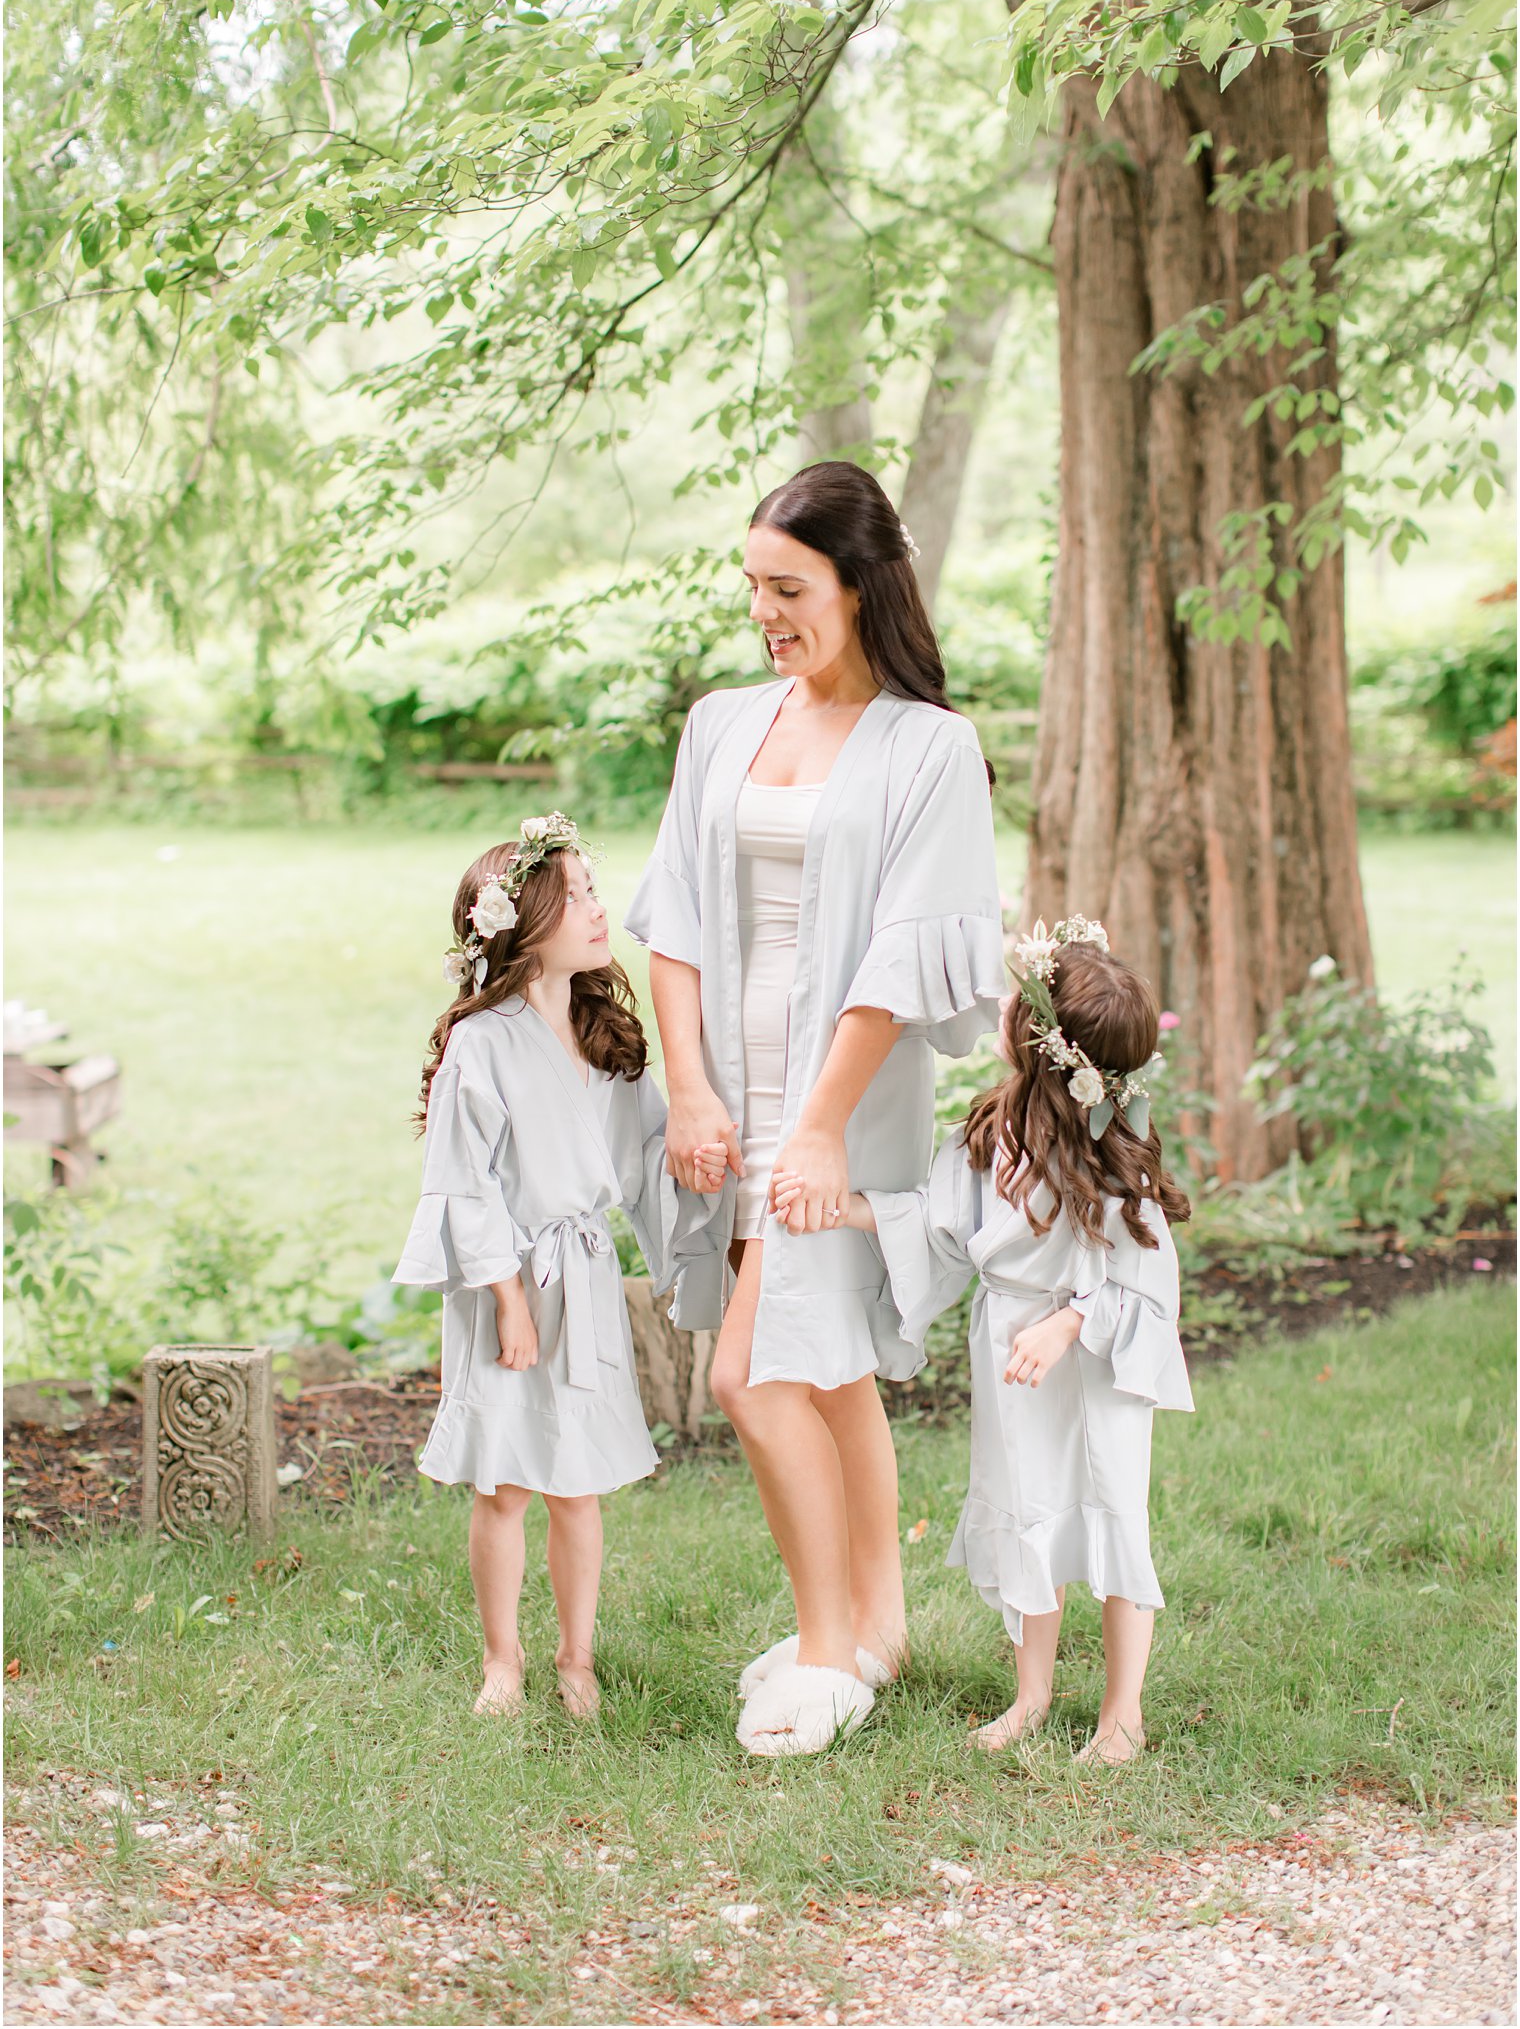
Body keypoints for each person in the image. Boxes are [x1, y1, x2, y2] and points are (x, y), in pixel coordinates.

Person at [624, 462, 1006, 1756]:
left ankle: (828, 1651)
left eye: (789, 589)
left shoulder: (930, 748)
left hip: (837, 1101)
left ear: (859, 584)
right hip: (730, 1097)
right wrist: (688, 1087)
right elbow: (673, 917)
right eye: (753, 588)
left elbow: (904, 952)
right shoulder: (723, 725)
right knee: (829, 1366)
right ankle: (881, 1623)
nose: (766, 614)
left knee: (753, 1369)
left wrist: (822, 1125)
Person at [787, 917, 1193, 1764]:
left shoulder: (1112, 1154)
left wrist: (1073, 1319)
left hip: (1094, 1362)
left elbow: (1147, 1280)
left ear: (1040, 1044)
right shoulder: (993, 1131)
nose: (1003, 999)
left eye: (1021, 997)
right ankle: (1032, 1695)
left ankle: (1123, 1711)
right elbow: (940, 1224)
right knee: (1027, 1508)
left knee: (1113, 1509)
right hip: (1008, 1345)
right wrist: (855, 1208)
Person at [394, 815, 719, 1722]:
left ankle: (577, 1656)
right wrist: (507, 1302)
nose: (597, 908)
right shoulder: (483, 1042)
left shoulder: (602, 1033)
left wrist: (696, 1161)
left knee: (577, 1483)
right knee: (505, 1483)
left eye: (592, 890)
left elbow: (647, 1148)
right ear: (524, 921)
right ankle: (504, 1656)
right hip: (510, 1285)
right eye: (575, 896)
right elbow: (463, 1183)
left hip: (583, 1281)